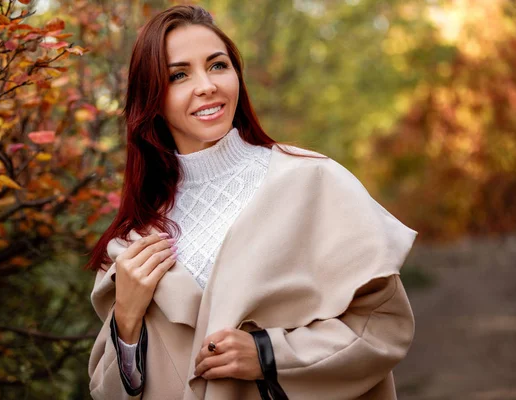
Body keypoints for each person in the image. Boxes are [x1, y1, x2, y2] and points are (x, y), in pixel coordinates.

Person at [87, 5, 417, 400]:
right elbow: (105, 391)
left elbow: (383, 325)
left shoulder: (312, 180)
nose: (206, 85)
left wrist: (270, 356)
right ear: (152, 99)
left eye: (217, 65)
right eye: (179, 75)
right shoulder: (134, 237)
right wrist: (126, 319)